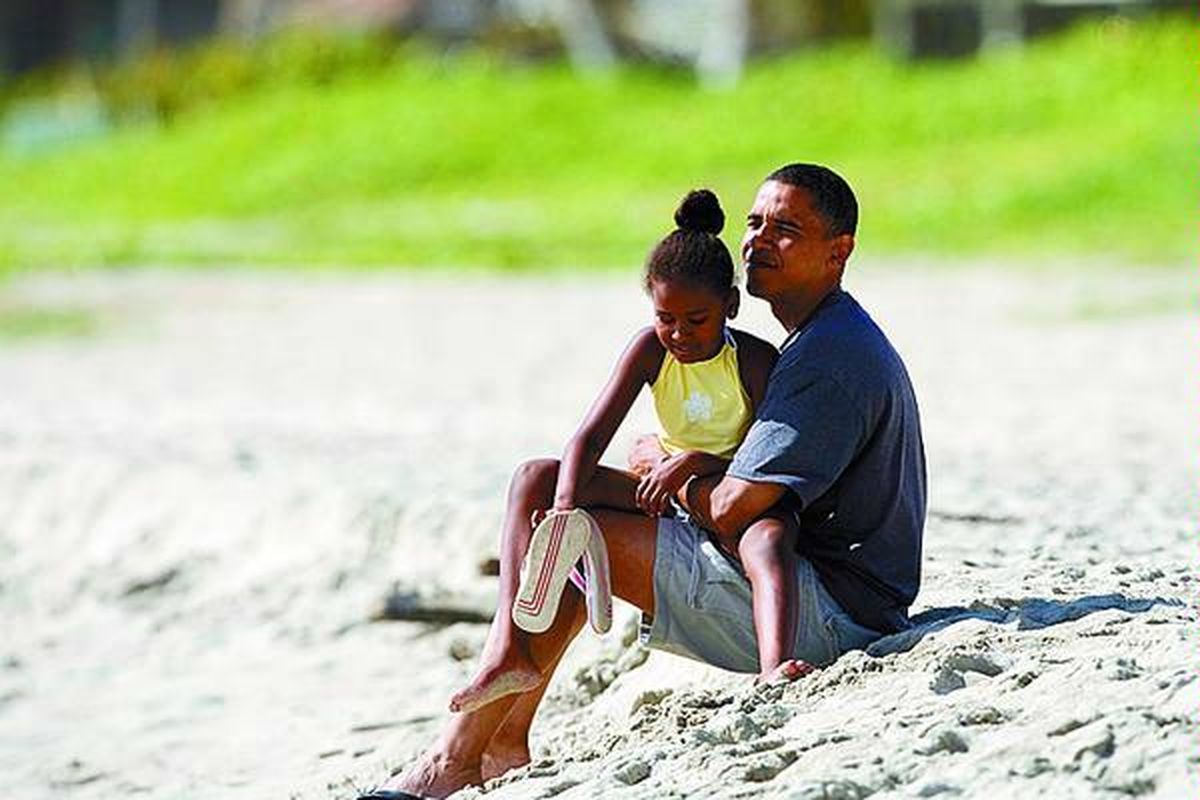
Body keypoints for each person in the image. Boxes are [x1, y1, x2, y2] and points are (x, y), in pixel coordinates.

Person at [359, 163, 926, 800]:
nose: (760, 241)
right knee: (555, 507)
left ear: (839, 250)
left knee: (581, 537)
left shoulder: (826, 359)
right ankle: (503, 737)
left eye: (786, 229)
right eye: (755, 223)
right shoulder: (823, 337)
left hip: (834, 617)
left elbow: (740, 509)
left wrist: (664, 458)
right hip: (825, 589)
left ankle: (456, 759)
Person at [447, 189, 800, 719]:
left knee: (770, 544)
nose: (679, 333)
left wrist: (696, 462)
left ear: (730, 305)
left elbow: (769, 458)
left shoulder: (753, 360)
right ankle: (507, 650)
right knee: (534, 477)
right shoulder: (650, 350)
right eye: (666, 318)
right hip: (666, 492)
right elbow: (589, 438)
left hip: (737, 494)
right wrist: (565, 508)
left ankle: (776, 665)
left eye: (697, 320)